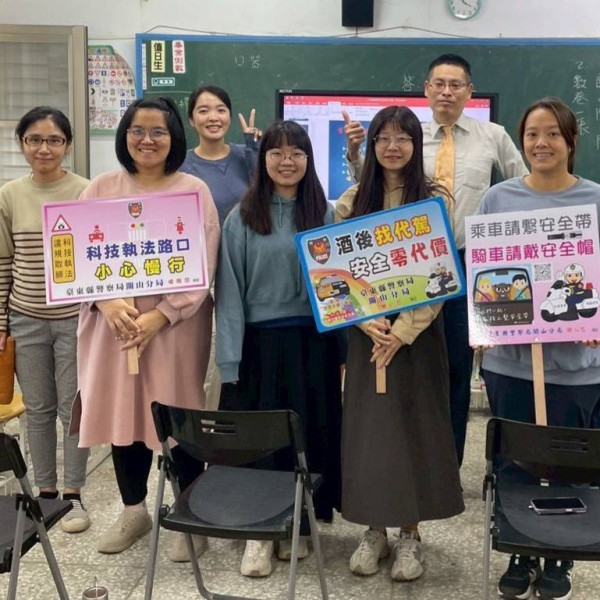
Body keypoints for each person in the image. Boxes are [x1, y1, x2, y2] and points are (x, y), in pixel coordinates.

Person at [345, 54, 529, 467]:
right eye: (439, 84)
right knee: (411, 362)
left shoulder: (492, 135)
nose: (447, 92)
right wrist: (355, 153)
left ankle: (448, 466)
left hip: (468, 262)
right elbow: (373, 190)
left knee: (456, 368)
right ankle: (405, 462)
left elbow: (522, 186)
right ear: (426, 89)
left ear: (469, 91)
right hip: (407, 266)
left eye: (456, 85)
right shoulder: (408, 135)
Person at [76, 97, 220, 561]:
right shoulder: (101, 188)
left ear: (174, 137)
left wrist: (162, 314)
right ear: (125, 136)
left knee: (178, 418)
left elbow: (204, 262)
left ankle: (191, 514)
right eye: (138, 130)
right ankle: (134, 510)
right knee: (126, 417)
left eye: (159, 131)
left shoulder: (193, 190)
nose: (148, 140)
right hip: (114, 328)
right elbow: (74, 256)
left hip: (175, 330)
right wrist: (106, 300)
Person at [478, 97, 600, 600]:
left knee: (571, 467)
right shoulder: (498, 200)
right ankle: (520, 547)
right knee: (515, 462)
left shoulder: (594, 200)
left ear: (571, 141)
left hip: (576, 368)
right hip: (511, 365)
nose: (541, 143)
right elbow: (483, 276)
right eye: (532, 134)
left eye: (552, 133)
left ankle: (560, 554)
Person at [336, 105, 464, 582]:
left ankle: (410, 533)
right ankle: (374, 529)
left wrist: (404, 331)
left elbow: (441, 273)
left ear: (416, 145)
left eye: (403, 138)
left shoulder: (435, 199)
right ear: (371, 145)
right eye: (384, 138)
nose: (393, 147)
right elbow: (336, 276)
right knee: (370, 433)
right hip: (367, 338)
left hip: (418, 339)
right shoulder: (352, 200)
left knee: (416, 429)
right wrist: (369, 324)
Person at [216, 119, 342, 578]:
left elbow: (341, 288)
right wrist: (230, 358)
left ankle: (300, 524)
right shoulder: (242, 217)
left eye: (296, 153)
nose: (287, 162)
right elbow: (229, 293)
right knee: (263, 442)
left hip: (313, 344)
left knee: (309, 436)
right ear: (263, 159)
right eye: (277, 153)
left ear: (308, 160)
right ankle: (259, 531)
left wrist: (344, 352)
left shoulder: (325, 214)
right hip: (259, 346)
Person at [0, 106, 91, 533]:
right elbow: (3, 263)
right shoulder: (9, 195)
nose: (44, 148)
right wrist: (2, 324)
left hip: (75, 319)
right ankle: (45, 493)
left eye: (54, 140)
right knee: (37, 409)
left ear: (67, 145)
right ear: (22, 143)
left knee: (73, 408)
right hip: (25, 317)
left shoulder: (86, 191)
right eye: (34, 139)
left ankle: (73, 494)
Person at [180, 84, 260, 411]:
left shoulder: (247, 154)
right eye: (203, 110)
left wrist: (254, 148)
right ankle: (203, 417)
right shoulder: (181, 165)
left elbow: (266, 196)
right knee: (205, 354)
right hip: (202, 272)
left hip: (245, 269)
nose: (213, 117)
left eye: (220, 109)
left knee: (243, 350)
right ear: (191, 120)